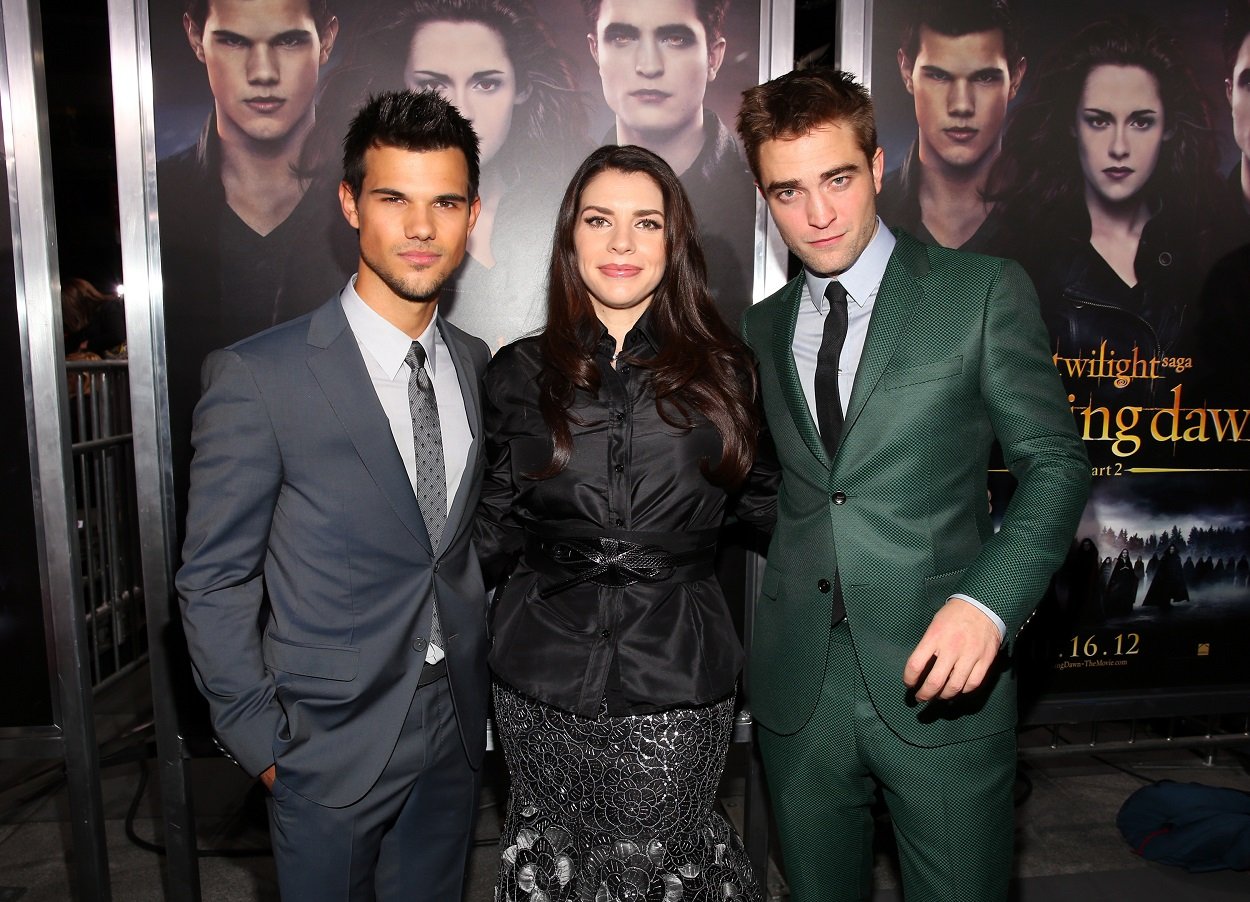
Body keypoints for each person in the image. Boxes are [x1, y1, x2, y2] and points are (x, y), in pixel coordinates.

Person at [735, 68, 1090, 901]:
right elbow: (797, 490)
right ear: (763, 195)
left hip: (943, 678)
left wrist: (990, 602)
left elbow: (1057, 462)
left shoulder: (979, 292)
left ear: (879, 165)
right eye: (788, 191)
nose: (817, 214)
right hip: (798, 690)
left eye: (837, 179)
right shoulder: (761, 328)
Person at [176, 90, 491, 901]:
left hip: (455, 727)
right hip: (323, 746)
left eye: (445, 202)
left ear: (471, 215)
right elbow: (214, 577)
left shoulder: (479, 364)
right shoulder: (260, 376)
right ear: (351, 203)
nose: (421, 228)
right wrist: (261, 740)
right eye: (394, 198)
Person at [476, 144, 774, 902]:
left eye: (646, 223)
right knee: (554, 867)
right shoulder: (517, 371)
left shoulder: (729, 372)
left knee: (654, 872)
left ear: (674, 243)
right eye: (599, 220)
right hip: (539, 674)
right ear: (570, 237)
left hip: (676, 672)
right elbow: (490, 528)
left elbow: (777, 508)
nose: (620, 243)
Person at [161, 0, 355, 521]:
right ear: (196, 38)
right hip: (189, 530)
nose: (263, 73)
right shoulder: (150, 208)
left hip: (345, 537)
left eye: (289, 41)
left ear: (327, 40)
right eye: (234, 41)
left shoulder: (373, 208)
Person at [304, 0, 589, 348]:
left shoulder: (575, 222)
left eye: (485, 84)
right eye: (434, 85)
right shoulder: (325, 246)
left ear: (522, 88)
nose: (461, 111)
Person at [989, 16, 1231, 405]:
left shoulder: (1211, 250)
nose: (1119, 146)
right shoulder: (1018, 259)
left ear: (1168, 127)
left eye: (1141, 122)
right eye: (1099, 121)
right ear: (1072, 124)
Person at [582, 0, 755, 326]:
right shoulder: (561, 199)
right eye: (622, 38)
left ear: (713, 57)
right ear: (596, 52)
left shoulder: (763, 206)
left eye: (674, 39)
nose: (648, 65)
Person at [880, 0, 1025, 251]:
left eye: (984, 77)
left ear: (1015, 79)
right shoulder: (868, 217)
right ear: (906, 72)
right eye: (939, 76)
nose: (961, 105)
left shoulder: (1055, 222)